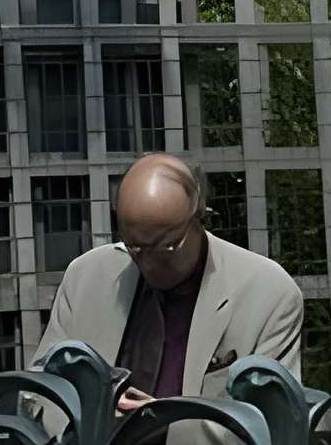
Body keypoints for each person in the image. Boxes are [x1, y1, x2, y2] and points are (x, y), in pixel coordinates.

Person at [42, 154, 301, 427]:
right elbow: (42, 385)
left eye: (165, 247)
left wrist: (161, 424)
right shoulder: (85, 276)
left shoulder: (270, 292)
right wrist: (88, 420)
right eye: (134, 248)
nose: (148, 263)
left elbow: (270, 422)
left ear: (197, 216)